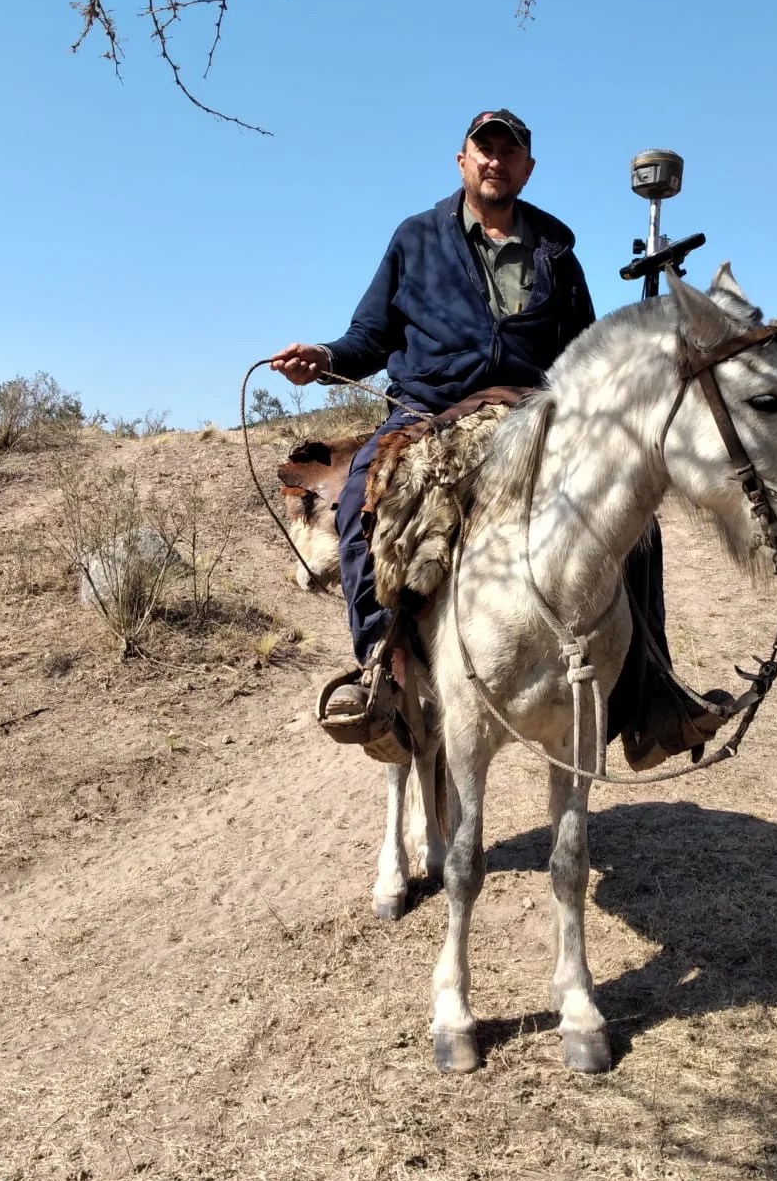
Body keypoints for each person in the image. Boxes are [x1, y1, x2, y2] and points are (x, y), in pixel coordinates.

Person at [271, 107, 725, 762]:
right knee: (360, 507)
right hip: (429, 412)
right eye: (483, 149)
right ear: (463, 161)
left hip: (530, 411)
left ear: (526, 168)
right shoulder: (415, 239)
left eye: (509, 152)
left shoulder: (556, 245)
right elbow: (369, 337)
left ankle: (652, 702)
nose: (495, 160)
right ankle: (382, 681)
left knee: (639, 526)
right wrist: (323, 356)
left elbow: (582, 350)